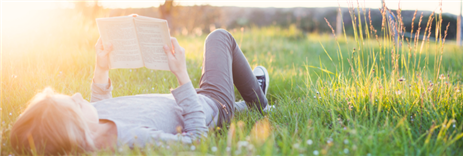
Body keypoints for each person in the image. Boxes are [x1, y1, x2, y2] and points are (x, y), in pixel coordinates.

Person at [9, 29, 271, 155]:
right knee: (219, 38)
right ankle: (259, 102)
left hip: (190, 101)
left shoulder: (94, 128)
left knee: (226, 87)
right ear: (78, 133)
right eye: (75, 105)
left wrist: (101, 69)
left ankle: (244, 102)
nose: (78, 97)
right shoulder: (130, 140)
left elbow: (101, 108)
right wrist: (181, 74)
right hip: (210, 106)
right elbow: (197, 141)